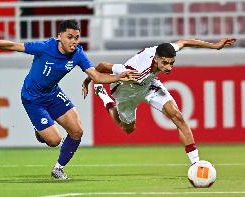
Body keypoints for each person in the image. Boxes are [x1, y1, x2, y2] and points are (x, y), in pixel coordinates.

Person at [0, 20, 138, 180]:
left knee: (77, 131)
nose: (74, 41)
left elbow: (96, 76)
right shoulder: (45, 47)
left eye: (77, 37)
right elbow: (14, 46)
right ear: (60, 36)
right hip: (32, 98)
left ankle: (58, 168)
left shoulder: (78, 53)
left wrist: (119, 77)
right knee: (54, 140)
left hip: (52, 94)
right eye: (70, 37)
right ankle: (41, 131)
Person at [82, 38, 236, 165]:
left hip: (149, 84)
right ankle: (104, 98)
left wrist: (215, 46)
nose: (169, 67)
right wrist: (87, 81)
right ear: (156, 58)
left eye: (171, 63)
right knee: (127, 129)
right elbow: (102, 66)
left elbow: (185, 42)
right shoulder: (135, 70)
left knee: (177, 116)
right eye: (165, 63)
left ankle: (196, 164)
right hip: (125, 92)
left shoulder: (165, 52)